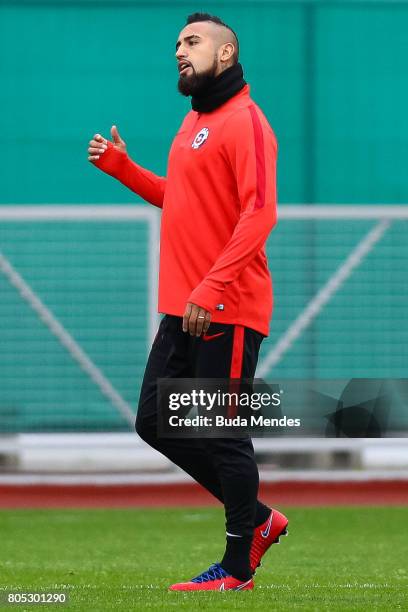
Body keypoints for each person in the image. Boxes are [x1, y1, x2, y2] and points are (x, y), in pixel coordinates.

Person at [88, 12, 288, 592]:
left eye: (193, 41)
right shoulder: (194, 122)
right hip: (186, 306)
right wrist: (124, 169)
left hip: (224, 304)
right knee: (156, 421)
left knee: (221, 433)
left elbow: (261, 212)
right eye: (177, 42)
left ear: (227, 54)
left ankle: (236, 567)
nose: (180, 50)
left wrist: (211, 286)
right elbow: (184, 201)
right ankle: (256, 519)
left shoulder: (246, 121)